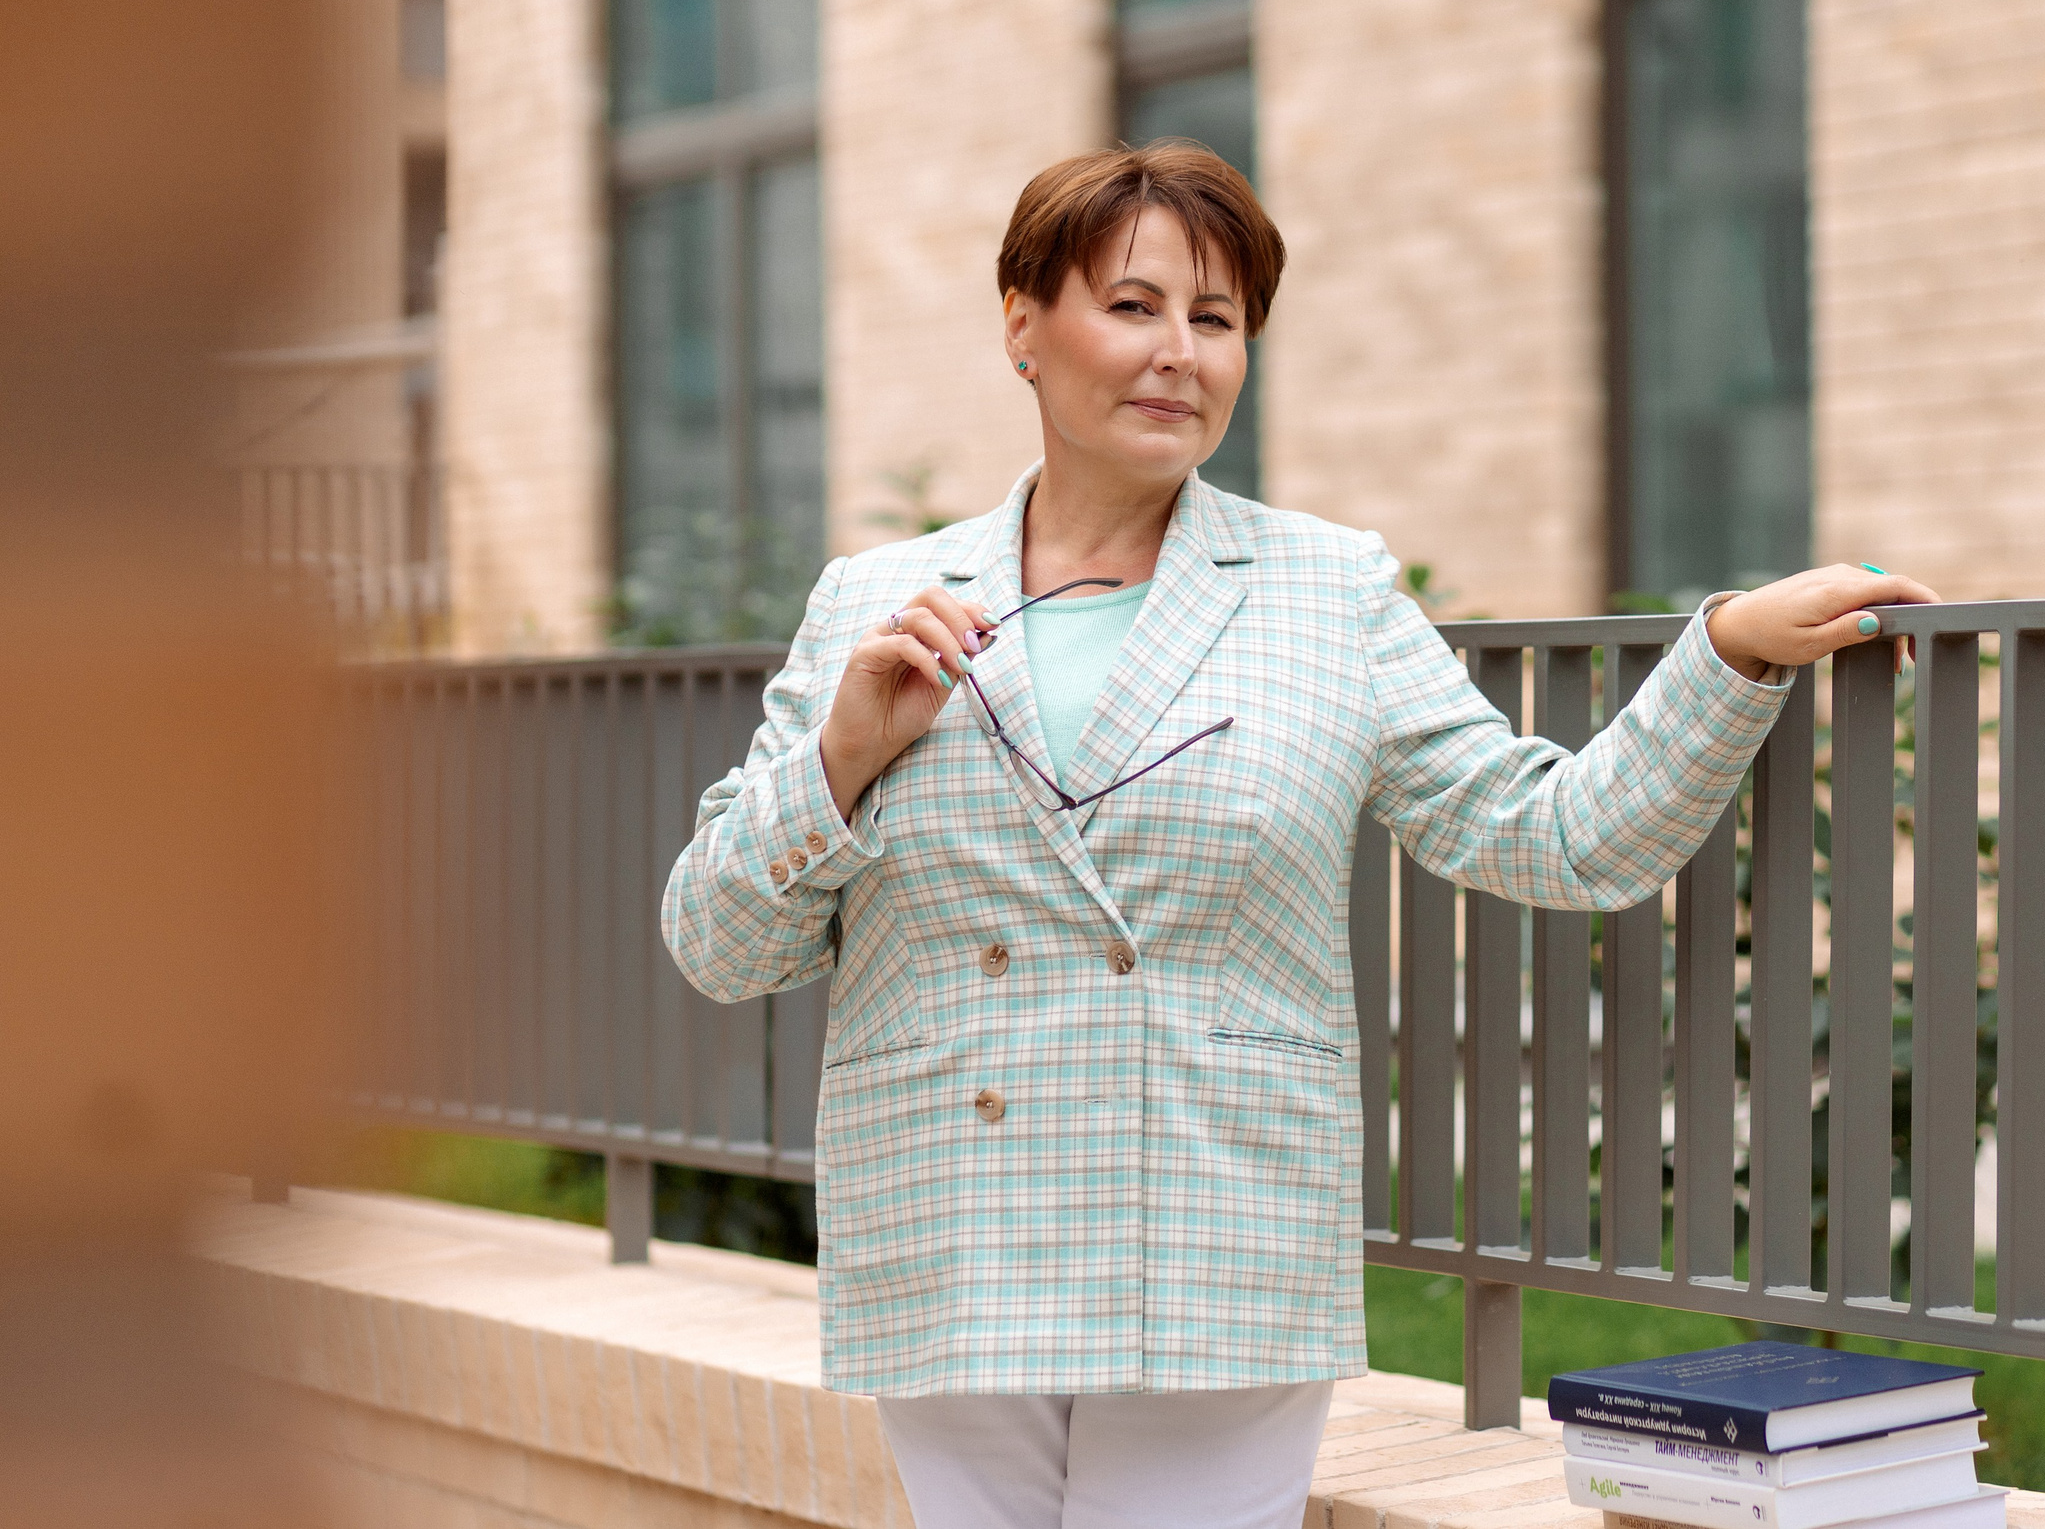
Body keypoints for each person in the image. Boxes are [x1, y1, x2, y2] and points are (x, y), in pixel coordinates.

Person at [661, 140, 1939, 1529]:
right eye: (1134, 306)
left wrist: (1729, 653)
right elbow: (720, 944)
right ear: (1024, 326)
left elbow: (1557, 837)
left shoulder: (1325, 590)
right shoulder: (879, 598)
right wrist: (846, 755)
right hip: (953, 1209)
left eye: (1216, 322)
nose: (1179, 356)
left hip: (1214, 1203)